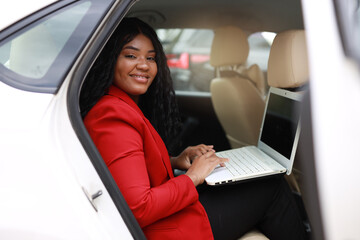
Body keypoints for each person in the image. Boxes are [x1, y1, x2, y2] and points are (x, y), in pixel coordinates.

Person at [80, 17, 309, 240]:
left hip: (169, 215)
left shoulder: (117, 105)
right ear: (110, 60)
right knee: (272, 186)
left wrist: (175, 160)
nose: (143, 65)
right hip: (167, 229)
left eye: (151, 58)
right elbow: (138, 207)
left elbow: (126, 168)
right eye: (131, 55)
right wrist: (193, 177)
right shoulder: (112, 116)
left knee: (261, 184)